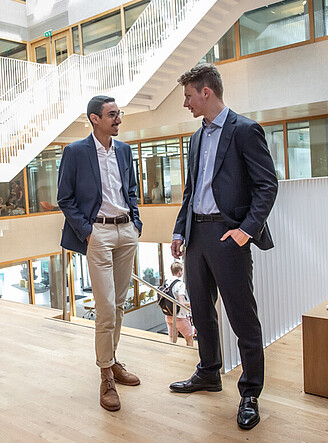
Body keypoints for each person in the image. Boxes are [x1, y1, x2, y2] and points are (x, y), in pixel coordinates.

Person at [169, 64, 278, 430]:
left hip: (228, 236)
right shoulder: (196, 137)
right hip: (196, 237)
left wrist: (246, 231)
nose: (185, 103)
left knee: (242, 318)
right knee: (201, 311)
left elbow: (267, 186)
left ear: (205, 92)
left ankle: (250, 393)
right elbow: (191, 190)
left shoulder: (246, 130)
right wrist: (179, 231)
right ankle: (209, 372)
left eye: (187, 95)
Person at [57, 95, 143, 412]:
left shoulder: (124, 150)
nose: (118, 119)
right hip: (98, 233)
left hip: (126, 231)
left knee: (119, 305)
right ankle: (105, 375)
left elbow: (130, 189)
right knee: (106, 306)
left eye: (118, 113)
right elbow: (64, 198)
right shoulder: (75, 152)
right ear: (95, 119)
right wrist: (88, 232)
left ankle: (113, 359)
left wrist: (136, 222)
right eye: (112, 114)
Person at [164, 262, 193, 347]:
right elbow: (182, 303)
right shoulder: (180, 284)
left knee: (172, 340)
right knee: (189, 339)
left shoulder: (166, 282)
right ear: (180, 271)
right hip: (180, 316)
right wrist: (192, 304)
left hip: (168, 315)